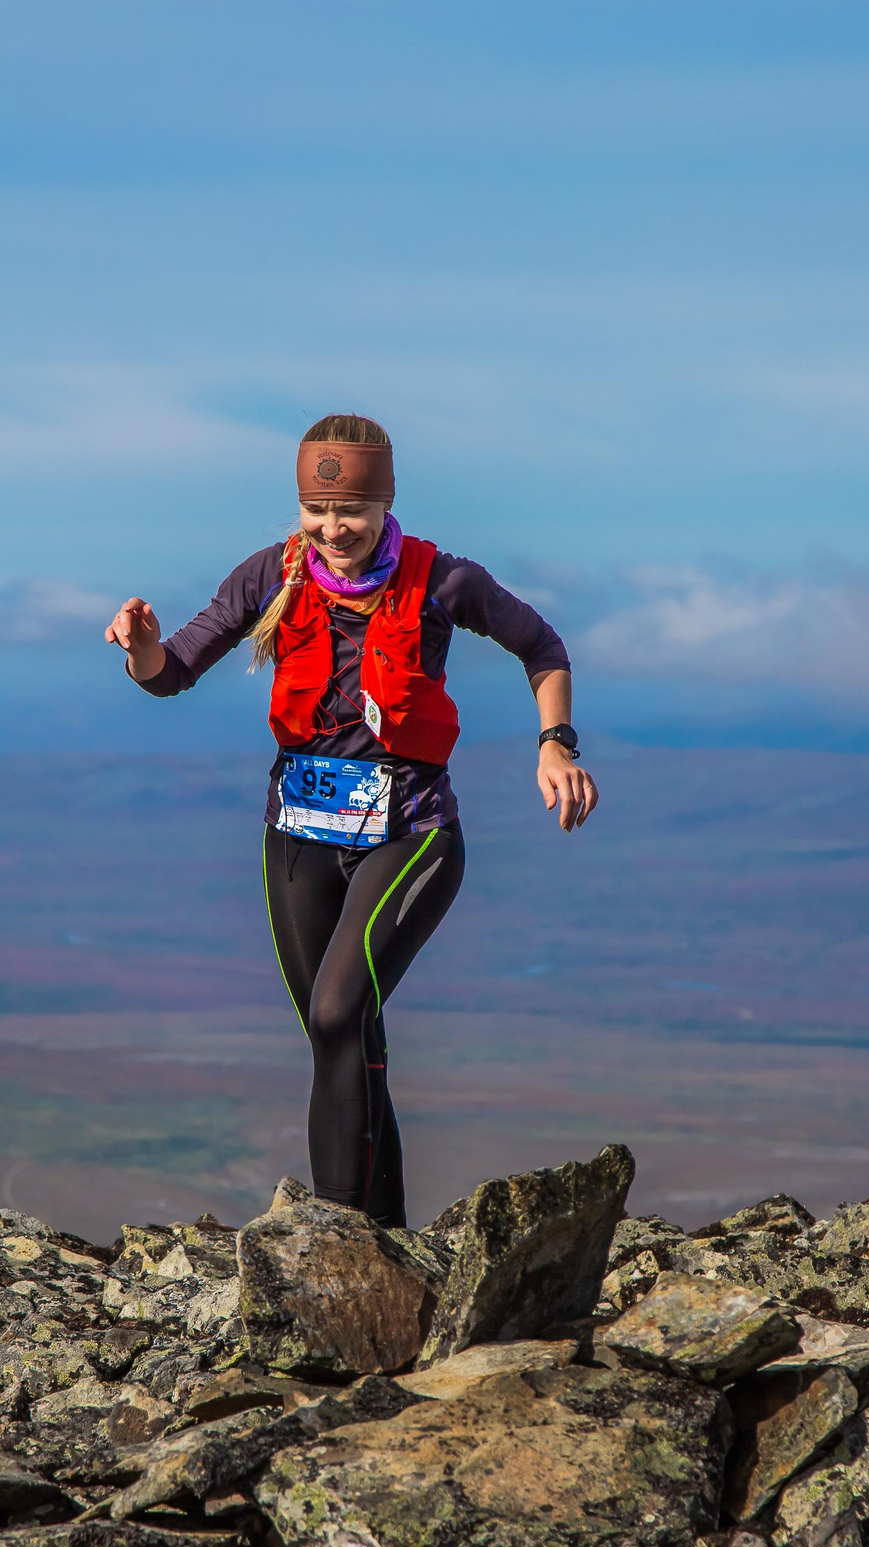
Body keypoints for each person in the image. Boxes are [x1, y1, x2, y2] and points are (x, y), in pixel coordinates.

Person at [103, 414, 596, 1228]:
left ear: (386, 502)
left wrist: (556, 744)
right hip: (296, 837)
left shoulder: (443, 581)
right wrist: (143, 648)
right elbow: (173, 670)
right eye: (317, 514)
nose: (334, 531)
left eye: (352, 515)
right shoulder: (272, 572)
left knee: (338, 1014)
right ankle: (385, 1248)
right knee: (340, 1041)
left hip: (410, 835)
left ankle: (334, 1242)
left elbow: (542, 647)